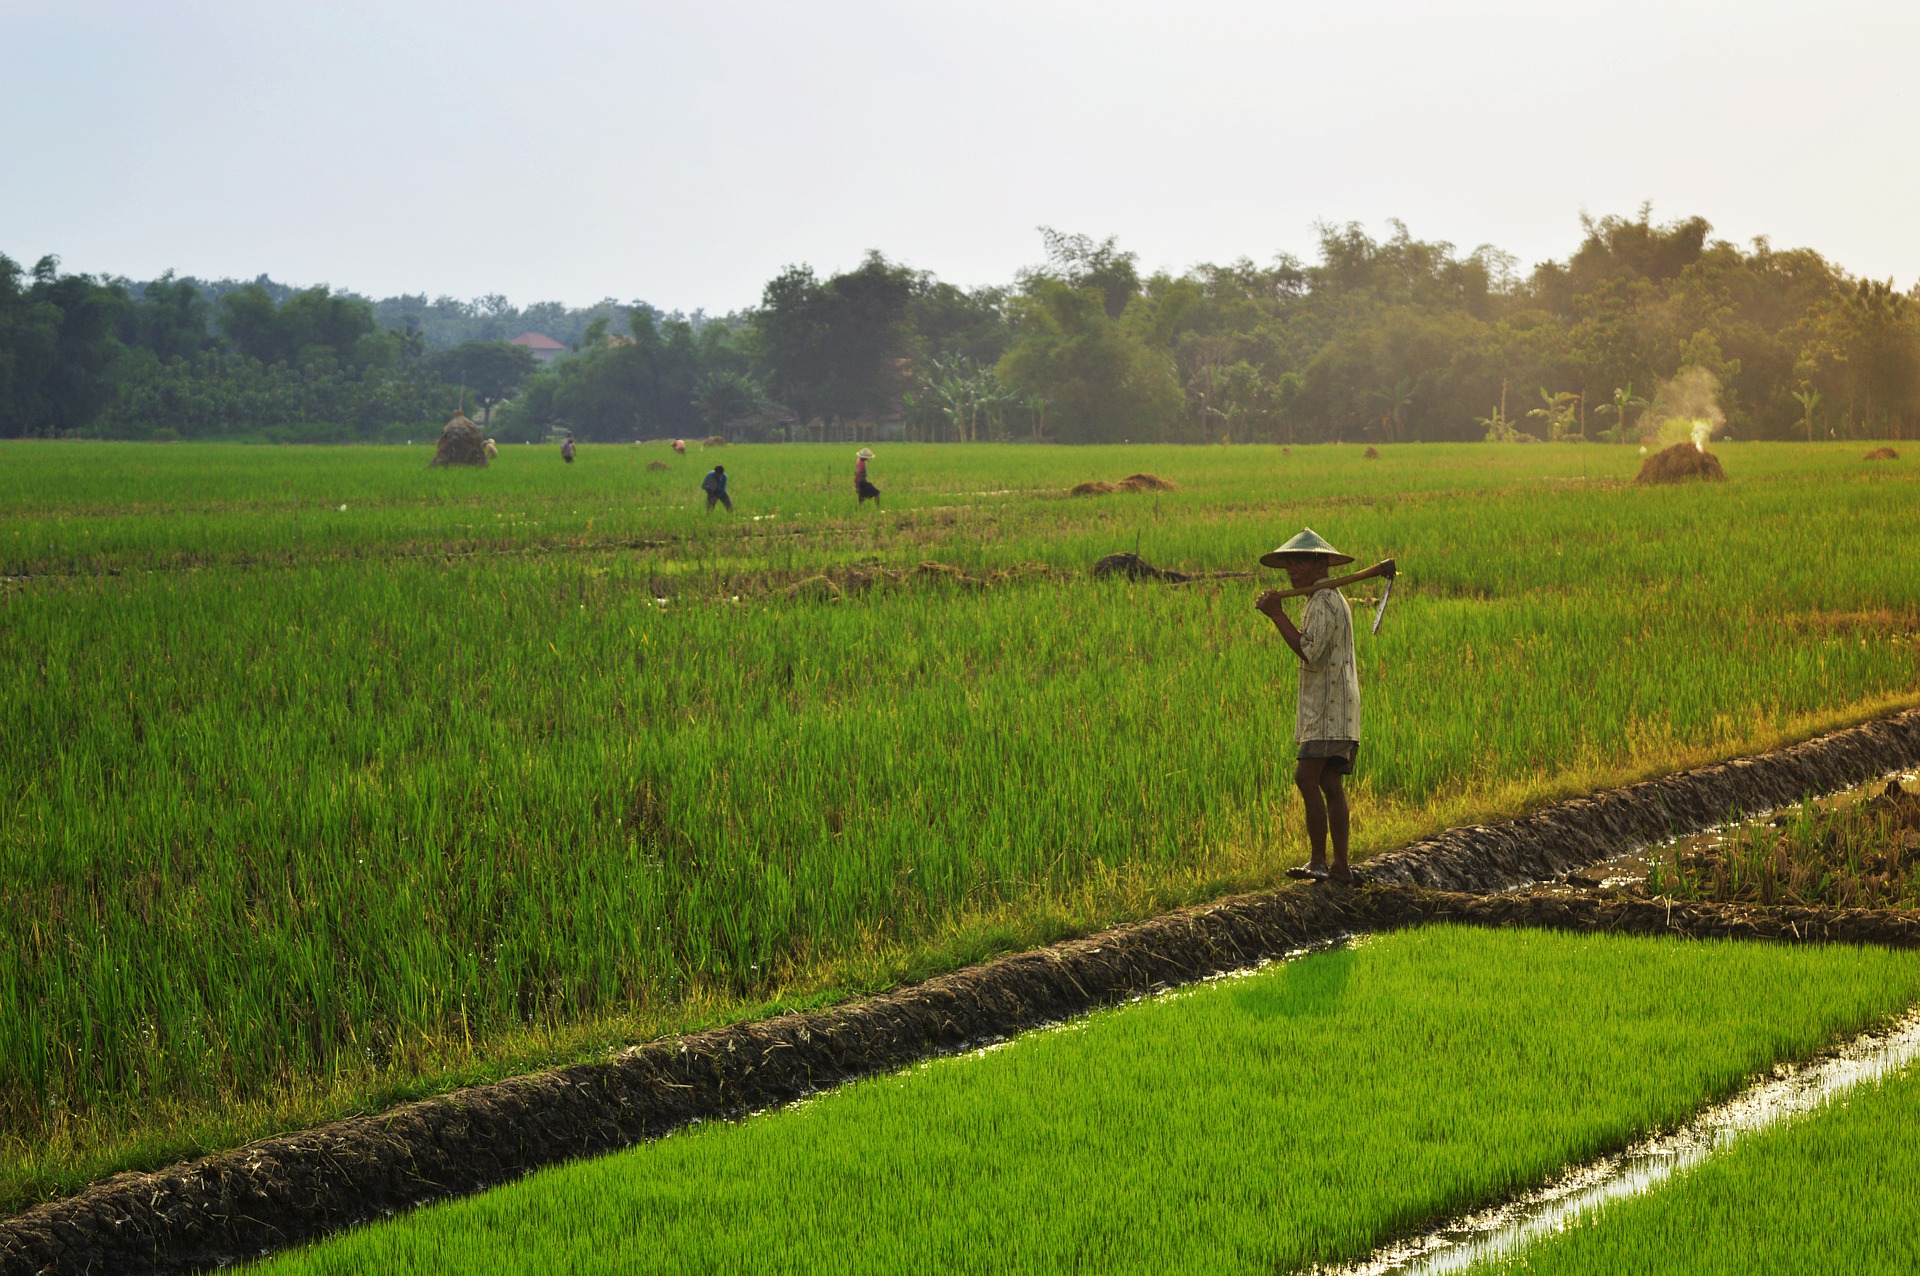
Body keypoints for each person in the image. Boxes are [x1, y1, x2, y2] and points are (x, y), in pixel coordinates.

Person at [1254, 528, 1364, 885]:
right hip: (1336, 707)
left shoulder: (1323, 601)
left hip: (1328, 711)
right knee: (1330, 782)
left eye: (1298, 561)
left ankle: (1319, 861)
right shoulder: (1324, 599)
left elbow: (1310, 651)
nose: (1291, 569)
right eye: (1288, 562)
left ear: (1319, 563)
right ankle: (1341, 867)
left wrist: (1275, 615)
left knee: (1307, 777)